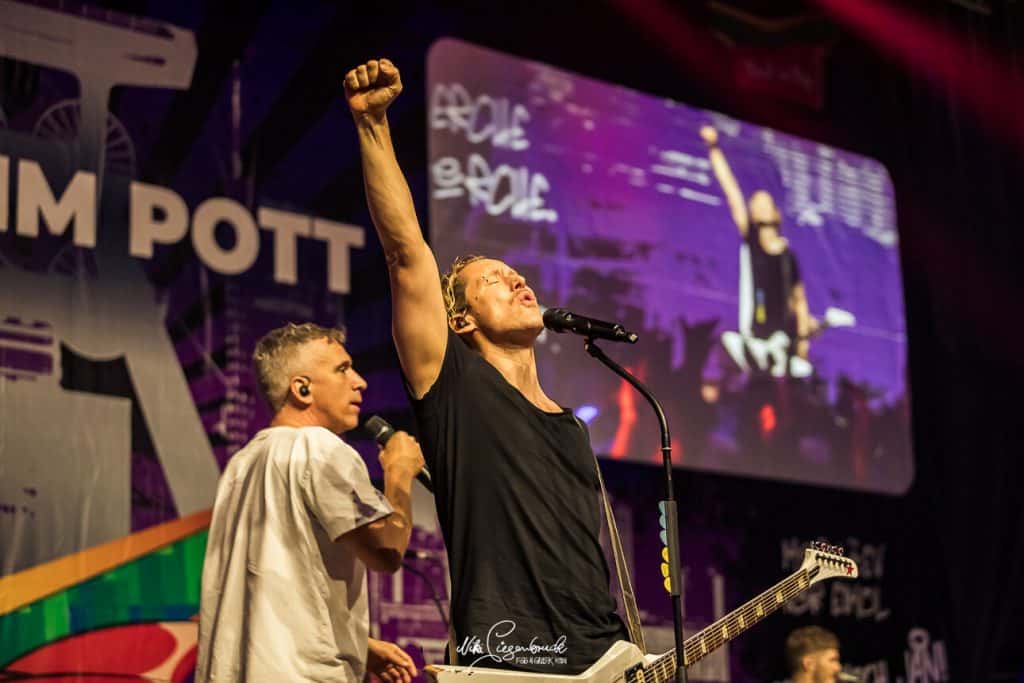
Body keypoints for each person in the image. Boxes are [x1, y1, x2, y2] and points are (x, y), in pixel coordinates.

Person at [344, 58, 628, 675]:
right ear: (460, 321)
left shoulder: (571, 428)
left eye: (517, 274)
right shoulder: (453, 385)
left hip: (602, 653)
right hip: (506, 655)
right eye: (493, 281)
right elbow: (405, 255)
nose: (517, 280)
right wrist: (373, 125)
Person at [197, 322, 424, 683]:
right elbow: (386, 551)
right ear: (301, 388)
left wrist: (358, 645)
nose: (360, 382)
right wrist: (398, 473)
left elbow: (272, 589)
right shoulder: (318, 447)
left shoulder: (242, 464)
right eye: (342, 369)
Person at [699, 125, 818, 379]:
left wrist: (803, 342)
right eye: (756, 203)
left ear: (776, 213)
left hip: (781, 338)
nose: (760, 206)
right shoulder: (751, 241)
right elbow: (732, 191)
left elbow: (799, 299)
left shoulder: (787, 256)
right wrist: (714, 149)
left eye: (766, 202)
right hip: (755, 332)